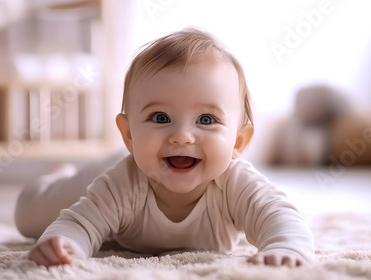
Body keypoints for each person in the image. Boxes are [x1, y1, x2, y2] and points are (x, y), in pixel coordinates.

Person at [18, 28, 315, 268]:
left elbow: (281, 218)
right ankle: (59, 175)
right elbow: (78, 224)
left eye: (206, 119)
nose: (182, 136)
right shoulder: (123, 183)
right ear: (130, 134)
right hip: (101, 173)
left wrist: (286, 246)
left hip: (137, 162)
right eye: (161, 118)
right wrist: (66, 245)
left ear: (238, 142)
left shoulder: (236, 183)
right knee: (29, 217)